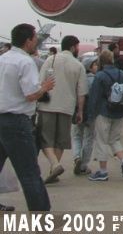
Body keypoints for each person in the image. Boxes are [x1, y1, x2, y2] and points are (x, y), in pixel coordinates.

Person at [0, 23, 55, 210]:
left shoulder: (3, 58)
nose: (36, 42)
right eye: (34, 38)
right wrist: (45, 87)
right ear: (28, 41)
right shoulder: (25, 62)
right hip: (16, 121)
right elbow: (30, 94)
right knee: (29, 173)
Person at [38, 34, 89, 184]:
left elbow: (40, 82)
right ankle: (54, 169)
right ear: (73, 47)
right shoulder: (78, 65)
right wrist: (80, 111)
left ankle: (55, 165)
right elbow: (82, 93)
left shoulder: (50, 59)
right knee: (61, 140)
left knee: (45, 138)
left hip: (48, 105)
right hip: (67, 107)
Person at [86, 50, 123, 181]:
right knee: (114, 139)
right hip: (119, 111)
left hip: (104, 111)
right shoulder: (122, 74)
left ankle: (103, 171)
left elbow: (94, 97)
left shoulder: (100, 76)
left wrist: (90, 116)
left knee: (101, 141)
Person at [71, 57, 98, 175]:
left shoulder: (78, 80)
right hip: (91, 113)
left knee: (77, 136)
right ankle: (83, 165)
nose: (97, 66)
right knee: (89, 137)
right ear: (89, 67)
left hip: (77, 110)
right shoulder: (95, 80)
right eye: (95, 64)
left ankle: (77, 156)